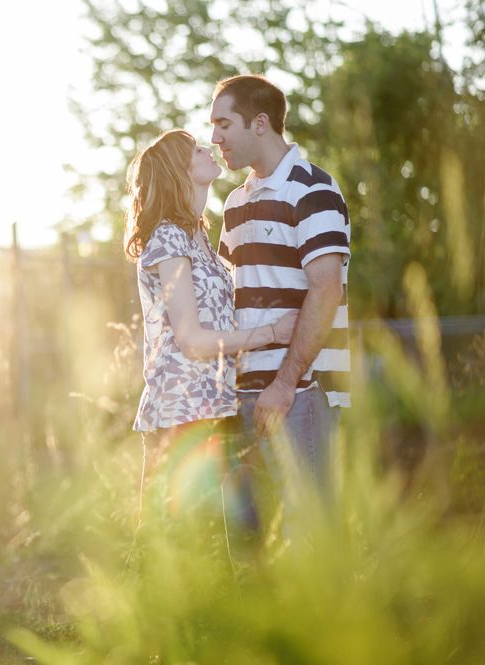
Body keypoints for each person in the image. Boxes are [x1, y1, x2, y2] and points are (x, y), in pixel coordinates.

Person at [124, 129, 298, 523]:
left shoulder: (198, 235)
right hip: (181, 415)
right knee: (177, 552)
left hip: (216, 405)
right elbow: (192, 340)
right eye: (197, 149)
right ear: (179, 169)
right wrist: (271, 333)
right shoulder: (168, 237)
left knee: (227, 541)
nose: (210, 149)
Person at [210, 74, 351, 514]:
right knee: (258, 551)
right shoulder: (234, 204)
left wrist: (285, 384)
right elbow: (230, 297)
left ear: (259, 123)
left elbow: (326, 291)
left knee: (308, 542)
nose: (214, 138)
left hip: (301, 394)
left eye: (223, 124)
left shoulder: (313, 190)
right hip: (245, 395)